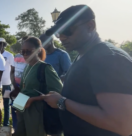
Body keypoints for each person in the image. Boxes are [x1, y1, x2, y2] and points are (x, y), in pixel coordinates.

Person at [43, 5, 132, 136]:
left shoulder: (107, 58)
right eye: (58, 33)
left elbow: (122, 124)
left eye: (67, 30)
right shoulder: (83, 55)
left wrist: (61, 102)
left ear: (90, 26)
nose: (61, 38)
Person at [11, 37, 63, 136]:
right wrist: (18, 108)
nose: (25, 55)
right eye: (23, 52)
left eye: (29, 52)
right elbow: (24, 89)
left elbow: (58, 93)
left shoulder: (45, 68)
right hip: (23, 109)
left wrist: (33, 99)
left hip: (37, 112)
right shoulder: (27, 67)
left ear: (38, 50)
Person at [10, 36, 29, 132]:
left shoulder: (31, 58)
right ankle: (16, 131)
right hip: (16, 88)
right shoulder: (17, 56)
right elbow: (12, 71)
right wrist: (15, 87)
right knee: (15, 111)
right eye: (23, 42)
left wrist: (21, 89)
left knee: (22, 113)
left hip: (25, 90)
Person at [0, 38, 14, 127]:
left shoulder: (9, 55)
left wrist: (12, 82)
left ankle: (6, 124)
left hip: (6, 84)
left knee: (6, 104)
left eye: (1, 44)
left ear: (4, 45)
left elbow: (13, 69)